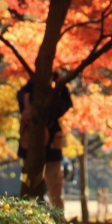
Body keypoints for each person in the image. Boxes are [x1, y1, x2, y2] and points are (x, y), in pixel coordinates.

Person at [17, 70, 72, 211]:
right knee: (55, 187)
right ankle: (57, 215)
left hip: (31, 147)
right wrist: (61, 85)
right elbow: (66, 103)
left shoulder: (26, 98)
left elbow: (21, 94)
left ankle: (29, 212)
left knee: (30, 183)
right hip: (49, 148)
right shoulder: (54, 100)